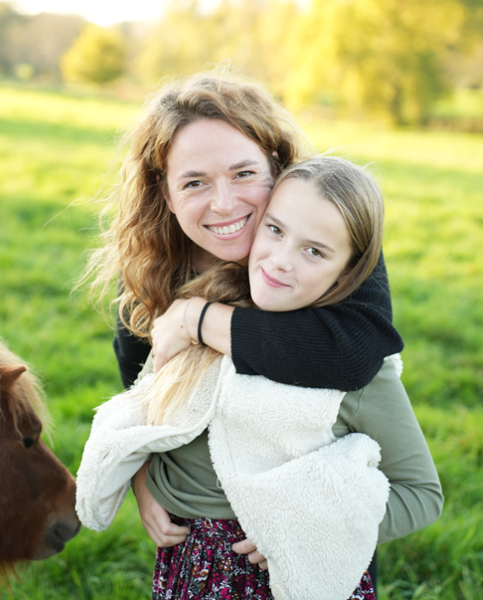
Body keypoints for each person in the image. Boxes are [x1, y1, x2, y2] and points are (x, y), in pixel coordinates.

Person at [80, 68, 410, 589]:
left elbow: (352, 353)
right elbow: (143, 381)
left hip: (306, 536)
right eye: (194, 183)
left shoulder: (323, 231)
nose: (226, 204)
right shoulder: (153, 265)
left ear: (278, 164)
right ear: (163, 193)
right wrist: (145, 476)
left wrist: (197, 319)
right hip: (199, 550)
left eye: (243, 174)